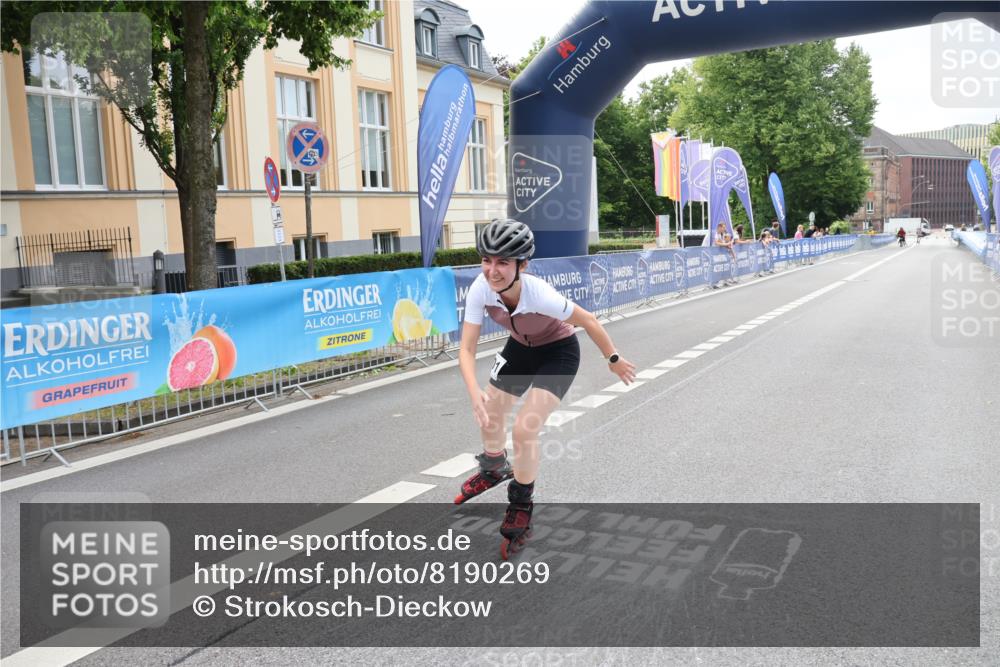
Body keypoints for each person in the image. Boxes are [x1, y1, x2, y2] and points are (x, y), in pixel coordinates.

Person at [456, 218, 637, 558]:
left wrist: (613, 358)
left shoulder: (539, 294)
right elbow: (466, 349)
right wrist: (474, 394)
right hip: (518, 349)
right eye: (487, 260)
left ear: (522, 265)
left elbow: (588, 320)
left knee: (525, 430)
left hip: (558, 352)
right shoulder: (480, 289)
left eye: (503, 262)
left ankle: (521, 503)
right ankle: (493, 466)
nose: (492, 270)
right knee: (489, 414)